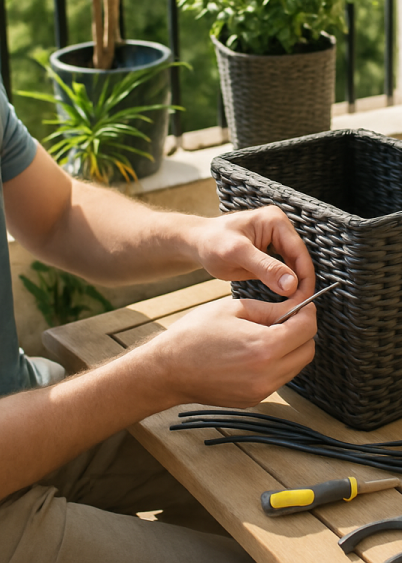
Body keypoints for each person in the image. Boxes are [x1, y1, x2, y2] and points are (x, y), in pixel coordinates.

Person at [0, 85, 318, 562]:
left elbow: (58, 214)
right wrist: (161, 373)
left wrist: (197, 235)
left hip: (32, 409)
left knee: (292, 457)